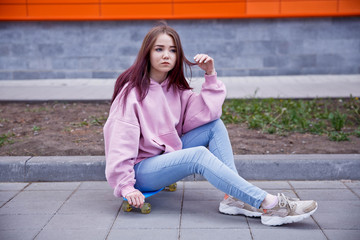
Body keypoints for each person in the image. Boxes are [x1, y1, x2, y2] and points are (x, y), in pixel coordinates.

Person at [103, 22, 317, 226]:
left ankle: (234, 197)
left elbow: (207, 113)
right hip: (142, 171)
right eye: (159, 49)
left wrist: (210, 74)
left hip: (164, 157)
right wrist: (126, 186)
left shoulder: (174, 89)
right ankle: (269, 204)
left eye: (173, 50)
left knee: (215, 126)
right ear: (147, 53)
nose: (167, 55)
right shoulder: (132, 94)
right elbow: (119, 145)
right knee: (198, 155)